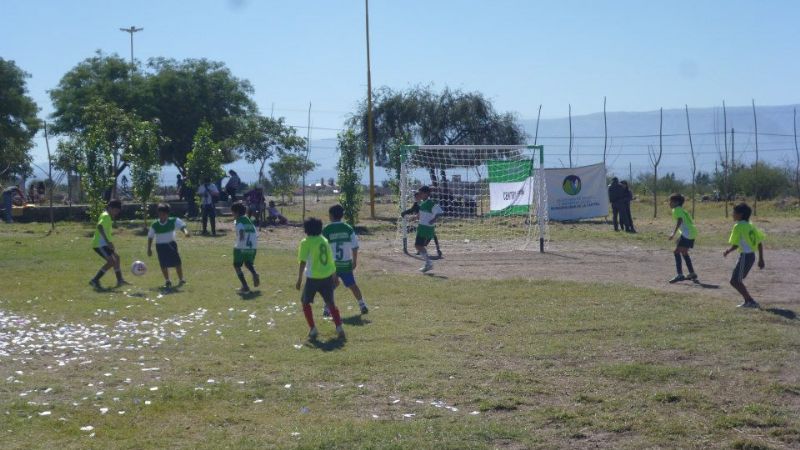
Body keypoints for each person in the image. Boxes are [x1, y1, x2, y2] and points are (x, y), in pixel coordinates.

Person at [296, 217, 345, 340]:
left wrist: (299, 279)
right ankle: (339, 327)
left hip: (313, 278)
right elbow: (330, 259)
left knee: (305, 302)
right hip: (327, 276)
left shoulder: (305, 242)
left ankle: (313, 329)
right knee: (330, 303)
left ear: (306, 230)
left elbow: (302, 262)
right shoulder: (324, 240)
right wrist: (334, 275)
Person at [322, 204, 369, 315]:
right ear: (342, 215)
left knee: (330, 286)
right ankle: (362, 304)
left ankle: (326, 309)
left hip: (332, 265)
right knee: (352, 285)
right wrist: (354, 261)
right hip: (346, 264)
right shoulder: (348, 228)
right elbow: (355, 246)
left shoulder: (327, 229)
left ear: (331, 216)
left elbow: (323, 248)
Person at [723, 203, 766, 308]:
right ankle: (749, 301)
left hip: (745, 257)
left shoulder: (738, 226)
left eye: (734, 212)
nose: (732, 214)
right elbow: (760, 242)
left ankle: (750, 301)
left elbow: (736, 244)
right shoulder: (750, 225)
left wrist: (728, 250)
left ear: (740, 214)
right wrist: (761, 259)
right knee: (736, 280)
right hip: (750, 256)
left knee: (735, 281)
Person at [147, 203, 190, 290]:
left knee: (177, 262)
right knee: (163, 264)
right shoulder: (155, 224)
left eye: (164, 214)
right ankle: (167, 280)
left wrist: (185, 232)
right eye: (160, 214)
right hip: (160, 246)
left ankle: (181, 279)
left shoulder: (173, 220)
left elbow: (182, 226)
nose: (161, 216)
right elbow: (150, 237)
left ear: (167, 214)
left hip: (171, 245)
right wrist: (149, 248)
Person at [89, 199, 128, 289]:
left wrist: (110, 243)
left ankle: (120, 280)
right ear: (110, 208)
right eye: (116, 211)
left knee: (117, 258)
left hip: (105, 244)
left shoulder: (107, 216)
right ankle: (94, 280)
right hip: (99, 244)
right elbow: (99, 226)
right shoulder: (106, 216)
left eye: (118, 211)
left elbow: (105, 231)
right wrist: (107, 242)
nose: (117, 213)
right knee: (111, 262)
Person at [667, 193, 698, 283]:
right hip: (691, 232)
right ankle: (692, 273)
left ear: (677, 202)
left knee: (676, 252)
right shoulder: (681, 209)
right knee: (684, 252)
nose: (669, 203)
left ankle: (680, 275)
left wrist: (673, 233)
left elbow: (680, 220)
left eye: (671, 201)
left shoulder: (676, 210)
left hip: (687, 233)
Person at [401, 190, 443, 257]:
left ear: (421, 196)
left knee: (433, 236)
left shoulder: (427, 203)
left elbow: (439, 212)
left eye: (418, 197)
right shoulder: (417, 204)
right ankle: (422, 250)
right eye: (415, 197)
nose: (416, 198)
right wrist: (405, 213)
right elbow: (412, 210)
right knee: (420, 241)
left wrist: (433, 219)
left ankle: (437, 250)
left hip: (427, 224)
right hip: (421, 224)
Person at [231, 201, 260, 293]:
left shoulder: (238, 221)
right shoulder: (248, 220)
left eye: (233, 212)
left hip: (241, 246)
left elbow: (241, 232)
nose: (232, 214)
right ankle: (254, 273)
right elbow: (256, 234)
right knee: (248, 263)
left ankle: (245, 286)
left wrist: (240, 241)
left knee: (236, 266)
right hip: (253, 246)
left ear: (237, 212)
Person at [414, 185, 443, 273]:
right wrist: (414, 217)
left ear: (426, 194)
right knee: (418, 246)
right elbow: (421, 215)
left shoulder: (431, 203)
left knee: (419, 246)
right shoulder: (422, 203)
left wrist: (433, 220)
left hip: (426, 228)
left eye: (421, 193)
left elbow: (439, 212)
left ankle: (428, 263)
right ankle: (428, 263)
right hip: (422, 227)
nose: (419, 195)